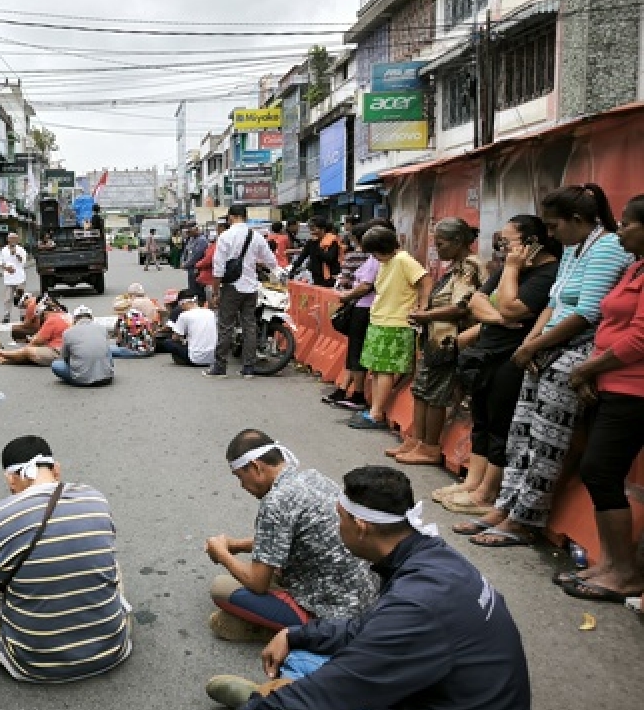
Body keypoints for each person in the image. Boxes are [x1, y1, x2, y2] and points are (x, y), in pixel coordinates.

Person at [204, 466, 530, 710]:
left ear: (361, 527)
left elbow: (341, 687)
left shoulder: (417, 606)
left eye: (339, 519)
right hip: (448, 684)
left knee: (316, 682)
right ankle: (282, 686)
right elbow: (367, 627)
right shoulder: (430, 556)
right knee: (302, 653)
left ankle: (270, 694)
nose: (335, 526)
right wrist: (294, 634)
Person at [469, 184, 633, 548]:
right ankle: (506, 505)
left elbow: (585, 312)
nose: (551, 234)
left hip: (576, 349)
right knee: (520, 432)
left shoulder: (606, 247)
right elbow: (554, 303)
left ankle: (525, 518)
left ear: (577, 220)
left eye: (554, 226)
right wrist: (531, 344)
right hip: (547, 347)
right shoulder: (575, 249)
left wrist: (536, 346)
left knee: (547, 440)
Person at [0, 435, 132, 683]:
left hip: (32, 661)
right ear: (56, 469)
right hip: (112, 647)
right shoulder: (96, 498)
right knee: (107, 563)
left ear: (10, 478)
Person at [434, 216, 560, 518]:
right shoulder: (506, 269)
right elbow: (477, 301)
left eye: (508, 242)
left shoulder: (546, 273)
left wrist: (513, 272)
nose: (503, 249)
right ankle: (473, 482)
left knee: (501, 423)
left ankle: (488, 491)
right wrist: (500, 319)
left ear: (532, 242)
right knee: (482, 419)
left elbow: (510, 305)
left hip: (512, 356)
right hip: (486, 352)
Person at [205, 430, 376, 643]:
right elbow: (283, 539)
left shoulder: (276, 501)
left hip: (335, 614)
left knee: (221, 588)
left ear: (257, 467)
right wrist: (237, 545)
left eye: (241, 477)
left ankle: (300, 631)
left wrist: (222, 554)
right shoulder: (313, 477)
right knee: (262, 569)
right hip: (366, 597)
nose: (242, 486)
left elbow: (257, 583)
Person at [560, 194, 644, 602]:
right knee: (600, 473)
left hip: (635, 390)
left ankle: (626, 573)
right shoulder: (634, 268)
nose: (621, 229)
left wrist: (588, 368)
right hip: (612, 384)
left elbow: (639, 340)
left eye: (628, 223)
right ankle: (612, 563)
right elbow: (611, 324)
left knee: (600, 471)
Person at [388, 219, 486, 465]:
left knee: (435, 394)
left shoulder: (470, 267)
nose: (437, 248)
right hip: (435, 338)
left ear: (457, 242)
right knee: (422, 390)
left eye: (440, 243)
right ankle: (416, 441)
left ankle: (429, 447)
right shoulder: (456, 266)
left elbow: (461, 306)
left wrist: (426, 315)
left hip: (450, 340)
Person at [347, 227, 430, 431]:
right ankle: (375, 409)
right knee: (377, 370)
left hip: (396, 322)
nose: (374, 257)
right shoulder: (388, 261)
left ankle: (376, 413)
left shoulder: (403, 260)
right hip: (380, 320)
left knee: (385, 370)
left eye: (375, 253)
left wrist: (423, 306)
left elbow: (425, 280)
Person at [208, 204, 279, 378]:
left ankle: (220, 367)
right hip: (251, 287)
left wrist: (216, 292)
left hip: (231, 287)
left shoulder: (225, 236)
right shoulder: (256, 236)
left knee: (225, 326)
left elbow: (218, 269)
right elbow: (271, 261)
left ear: (231, 217)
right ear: (245, 217)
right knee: (250, 326)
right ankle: (248, 367)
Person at [324, 220, 384, 411]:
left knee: (357, 353)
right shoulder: (373, 259)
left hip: (365, 308)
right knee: (354, 352)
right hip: (360, 307)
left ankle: (357, 394)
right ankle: (344, 389)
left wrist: (346, 296)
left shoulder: (378, 260)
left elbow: (365, 285)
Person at [0, 299, 70, 367]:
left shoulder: (51, 319)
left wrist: (22, 350)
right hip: (66, 349)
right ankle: (4, 360)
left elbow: (35, 341)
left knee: (28, 351)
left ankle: (3, 354)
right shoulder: (65, 315)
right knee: (34, 353)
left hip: (59, 351)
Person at [51, 304, 113, 386]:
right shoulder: (102, 328)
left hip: (82, 380)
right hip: (106, 378)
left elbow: (63, 358)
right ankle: (105, 371)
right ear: (91, 318)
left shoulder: (68, 332)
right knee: (107, 348)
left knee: (56, 365)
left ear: (75, 319)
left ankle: (81, 376)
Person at [157, 289, 217, 366]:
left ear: (182, 303)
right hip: (213, 357)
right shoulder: (210, 312)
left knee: (168, 343)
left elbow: (175, 338)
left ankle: (183, 358)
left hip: (195, 358)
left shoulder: (184, 315)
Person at [291, 216, 342, 288]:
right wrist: (292, 270)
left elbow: (329, 258)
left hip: (330, 277)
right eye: (310, 228)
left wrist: (317, 246)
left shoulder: (332, 241)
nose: (311, 231)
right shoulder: (311, 242)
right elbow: (302, 257)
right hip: (316, 276)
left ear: (322, 229)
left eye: (313, 228)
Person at [0, 233, 27, 323]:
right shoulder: (4, 250)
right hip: (8, 278)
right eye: (11, 239)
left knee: (20, 297)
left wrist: (16, 254)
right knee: (8, 298)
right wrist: (7, 268)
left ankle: (23, 315)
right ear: (8, 240)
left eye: (15, 239)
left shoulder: (21, 249)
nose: (13, 240)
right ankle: (7, 315)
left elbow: (22, 261)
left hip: (19, 278)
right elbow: (1, 263)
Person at [182, 224, 210, 303]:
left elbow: (197, 255)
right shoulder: (191, 239)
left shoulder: (202, 240)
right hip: (191, 269)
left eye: (189, 231)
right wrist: (183, 261)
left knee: (198, 290)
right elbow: (185, 251)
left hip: (198, 269)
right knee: (192, 289)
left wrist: (186, 264)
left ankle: (201, 305)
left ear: (196, 229)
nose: (188, 234)